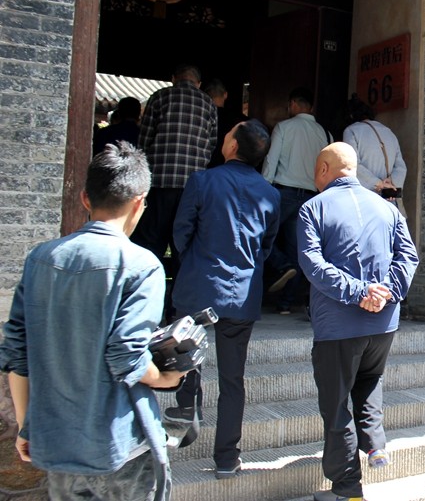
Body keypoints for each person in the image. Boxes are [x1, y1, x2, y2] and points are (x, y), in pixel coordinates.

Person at [0, 142, 187, 500]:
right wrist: (166, 377)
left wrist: (27, 426)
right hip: (119, 445)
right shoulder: (141, 265)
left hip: (55, 441)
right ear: (139, 202)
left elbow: (17, 354)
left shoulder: (40, 258)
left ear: (85, 198)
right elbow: (127, 356)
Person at [298, 142, 418, 501]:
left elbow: (312, 264)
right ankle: (375, 443)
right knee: (370, 379)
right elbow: (408, 257)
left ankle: (347, 489)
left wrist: (359, 291)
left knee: (336, 406)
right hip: (383, 323)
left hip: (338, 325)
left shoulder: (313, 208)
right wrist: (385, 293)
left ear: (324, 169)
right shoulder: (387, 208)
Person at [164, 120, 280, 479]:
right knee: (233, 379)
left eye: (228, 134)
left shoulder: (202, 181)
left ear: (232, 147)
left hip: (199, 285)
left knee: (185, 357)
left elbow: (181, 231)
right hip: (242, 293)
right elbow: (266, 246)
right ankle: (227, 457)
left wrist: (193, 261)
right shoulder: (271, 194)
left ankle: (188, 410)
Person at [134, 64, 217, 319]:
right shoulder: (208, 104)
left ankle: (147, 307)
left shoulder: (160, 97)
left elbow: (144, 140)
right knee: (184, 249)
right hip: (192, 187)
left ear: (173, 79)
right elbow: (211, 144)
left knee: (151, 244)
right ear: (198, 83)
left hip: (159, 182)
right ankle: (179, 311)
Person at [261, 86, 332, 313]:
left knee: (260, 235)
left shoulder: (284, 127)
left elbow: (271, 161)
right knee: (298, 249)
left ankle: (281, 266)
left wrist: (262, 189)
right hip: (311, 197)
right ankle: (286, 303)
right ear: (311, 107)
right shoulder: (325, 134)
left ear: (292, 104)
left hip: (284, 193)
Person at [342, 94, 406, 207]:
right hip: (389, 200)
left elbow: (352, 164)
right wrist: (391, 184)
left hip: (365, 199)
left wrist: (378, 184)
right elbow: (401, 167)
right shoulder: (389, 132)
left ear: (350, 116)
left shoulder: (351, 131)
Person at [202, 78, 247, 168]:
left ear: (205, 96)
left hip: (206, 165)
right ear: (225, 95)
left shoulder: (202, 117)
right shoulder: (238, 119)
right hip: (230, 166)